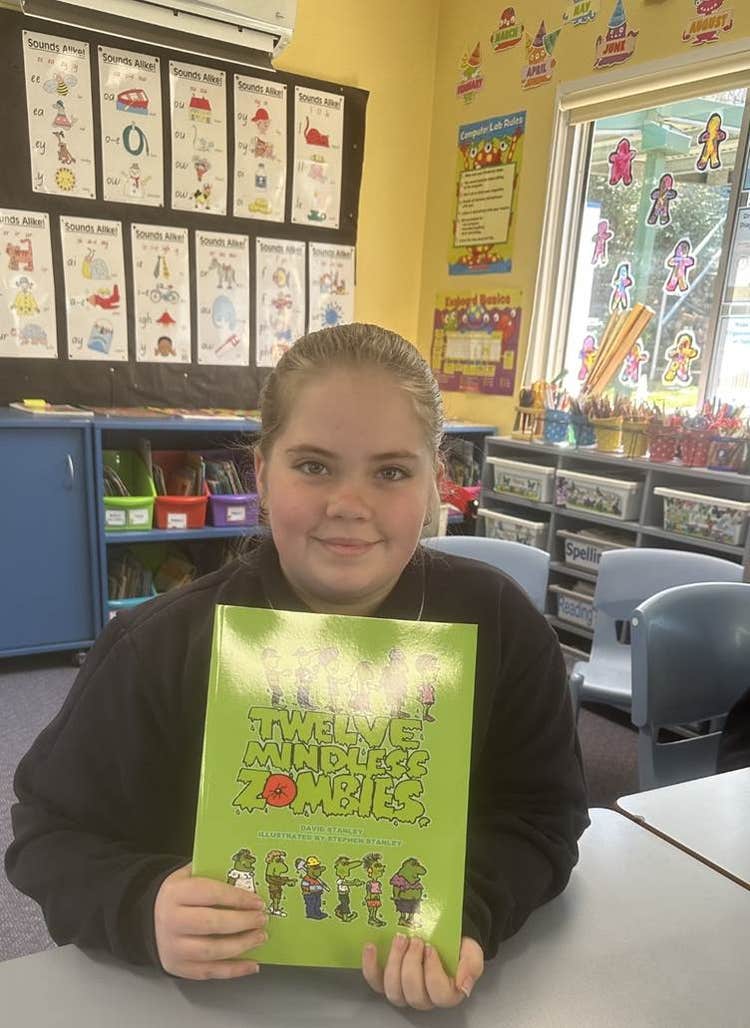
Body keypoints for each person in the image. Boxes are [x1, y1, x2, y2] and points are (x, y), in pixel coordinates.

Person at [5, 323, 589, 1011]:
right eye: (313, 465)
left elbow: (542, 817)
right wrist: (144, 906)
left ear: (438, 477)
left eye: (392, 471)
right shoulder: (157, 644)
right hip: (210, 1004)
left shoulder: (500, 623)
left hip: (421, 998)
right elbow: (48, 834)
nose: (349, 505)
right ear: (261, 471)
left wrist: (470, 915)